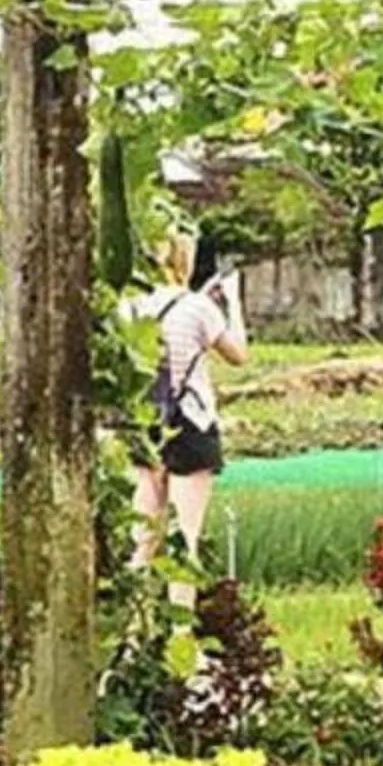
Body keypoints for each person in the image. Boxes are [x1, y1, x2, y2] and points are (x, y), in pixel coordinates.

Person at [130, 228, 248, 600]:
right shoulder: (198, 308)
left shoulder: (134, 306)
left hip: (146, 422)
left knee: (144, 538)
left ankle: (132, 635)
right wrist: (233, 303)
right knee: (185, 539)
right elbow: (238, 355)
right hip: (192, 423)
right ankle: (180, 641)